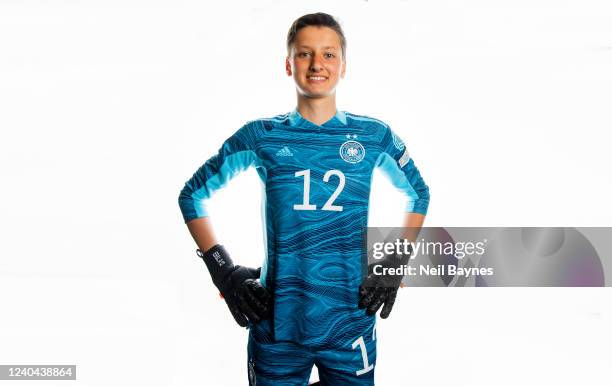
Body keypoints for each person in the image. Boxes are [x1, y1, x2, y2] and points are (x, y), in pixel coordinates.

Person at [178, 12, 430, 386]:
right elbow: (192, 195)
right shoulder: (260, 136)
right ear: (288, 63)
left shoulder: (373, 136)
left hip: (351, 322)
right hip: (278, 326)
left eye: (329, 54)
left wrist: (396, 257)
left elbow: (419, 193)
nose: (317, 64)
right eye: (304, 53)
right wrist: (223, 269)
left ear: (343, 67)